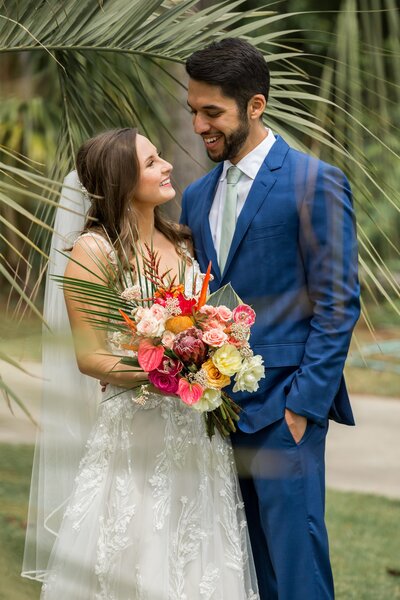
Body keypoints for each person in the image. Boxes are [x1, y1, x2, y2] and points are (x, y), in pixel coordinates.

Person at [22, 128, 259, 599]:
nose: (167, 165)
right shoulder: (94, 252)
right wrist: (171, 370)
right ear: (120, 180)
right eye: (151, 162)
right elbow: (90, 357)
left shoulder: (181, 241)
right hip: (136, 433)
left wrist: (213, 357)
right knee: (135, 553)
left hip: (193, 430)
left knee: (197, 557)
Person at [180, 38, 360, 600]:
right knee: (241, 571)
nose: (199, 126)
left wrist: (302, 409)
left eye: (213, 113)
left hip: (287, 413)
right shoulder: (193, 196)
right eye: (193, 111)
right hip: (216, 416)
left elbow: (338, 304)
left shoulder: (314, 181)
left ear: (255, 106)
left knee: (297, 571)